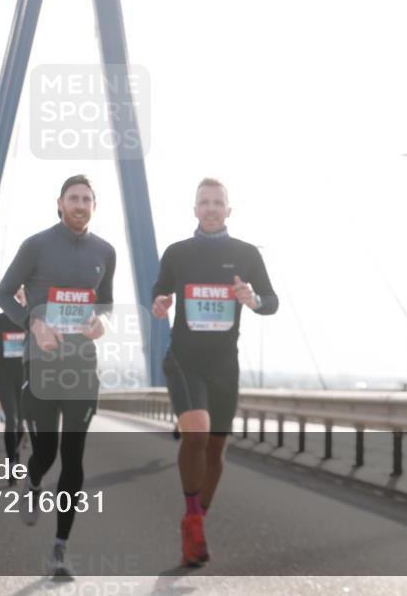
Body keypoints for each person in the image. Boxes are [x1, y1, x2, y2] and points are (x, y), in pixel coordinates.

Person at [151, 178, 278, 567]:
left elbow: (272, 301)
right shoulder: (177, 253)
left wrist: (253, 299)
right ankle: (193, 518)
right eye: (204, 202)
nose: (210, 208)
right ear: (194, 210)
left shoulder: (246, 254)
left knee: (216, 452)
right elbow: (158, 291)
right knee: (197, 433)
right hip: (184, 360)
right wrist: (160, 302)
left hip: (225, 365)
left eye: (217, 202)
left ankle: (196, 522)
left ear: (228, 210)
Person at [0, 174, 115, 579]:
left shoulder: (105, 251)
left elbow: (106, 304)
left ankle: (60, 548)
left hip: (82, 365)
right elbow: (3, 293)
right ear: (60, 203)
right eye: (73, 198)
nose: (80, 205)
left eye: (86, 199)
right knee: (45, 452)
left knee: (73, 456)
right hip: (41, 365)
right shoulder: (36, 245)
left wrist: (101, 322)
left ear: (94, 206)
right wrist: (34, 323)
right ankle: (32, 482)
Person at [0, 286, 28, 483]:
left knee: (21, 423)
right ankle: (11, 463)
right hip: (4, 373)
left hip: (25, 375)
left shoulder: (33, 318)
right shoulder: (0, 320)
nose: (18, 300)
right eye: (15, 296)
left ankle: (16, 455)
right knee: (11, 420)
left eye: (21, 296)